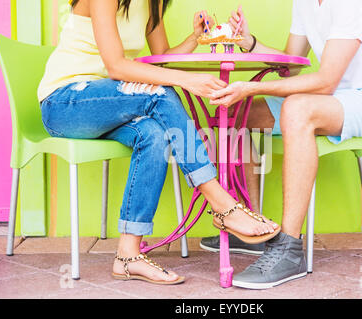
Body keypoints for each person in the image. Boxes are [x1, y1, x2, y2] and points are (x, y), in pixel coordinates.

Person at [38, 0, 279, 286]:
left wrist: (194, 38)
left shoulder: (152, 3)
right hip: (66, 102)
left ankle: (127, 256)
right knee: (160, 93)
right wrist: (187, 81)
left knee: (153, 133)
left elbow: (160, 58)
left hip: (111, 104)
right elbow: (116, 66)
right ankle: (222, 204)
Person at [206, 0, 362, 289]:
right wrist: (249, 42)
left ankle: (289, 248)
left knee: (297, 109)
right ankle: (255, 229)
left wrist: (253, 87)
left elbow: (325, 82)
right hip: (332, 100)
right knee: (237, 114)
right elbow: (289, 67)